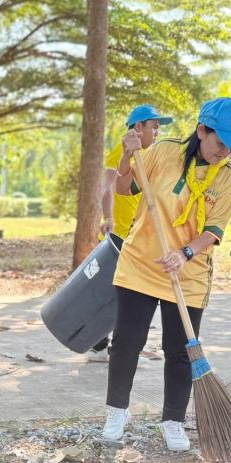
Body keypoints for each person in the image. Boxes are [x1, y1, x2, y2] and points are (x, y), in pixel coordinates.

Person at [101, 97, 231, 452]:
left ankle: (172, 419)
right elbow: (125, 188)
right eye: (221, 144)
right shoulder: (163, 152)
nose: (226, 153)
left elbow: (214, 231)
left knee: (181, 349)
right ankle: (117, 411)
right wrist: (128, 154)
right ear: (202, 131)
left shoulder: (228, 178)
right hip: (142, 262)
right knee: (126, 342)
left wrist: (185, 253)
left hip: (187, 271)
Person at [89, 104, 173, 362]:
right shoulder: (122, 151)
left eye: (159, 128)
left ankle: (114, 345)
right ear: (138, 127)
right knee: (115, 291)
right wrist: (109, 217)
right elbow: (107, 187)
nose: (157, 132)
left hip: (138, 235)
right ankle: (100, 346)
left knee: (128, 291)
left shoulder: (149, 155)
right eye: (154, 126)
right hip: (122, 234)